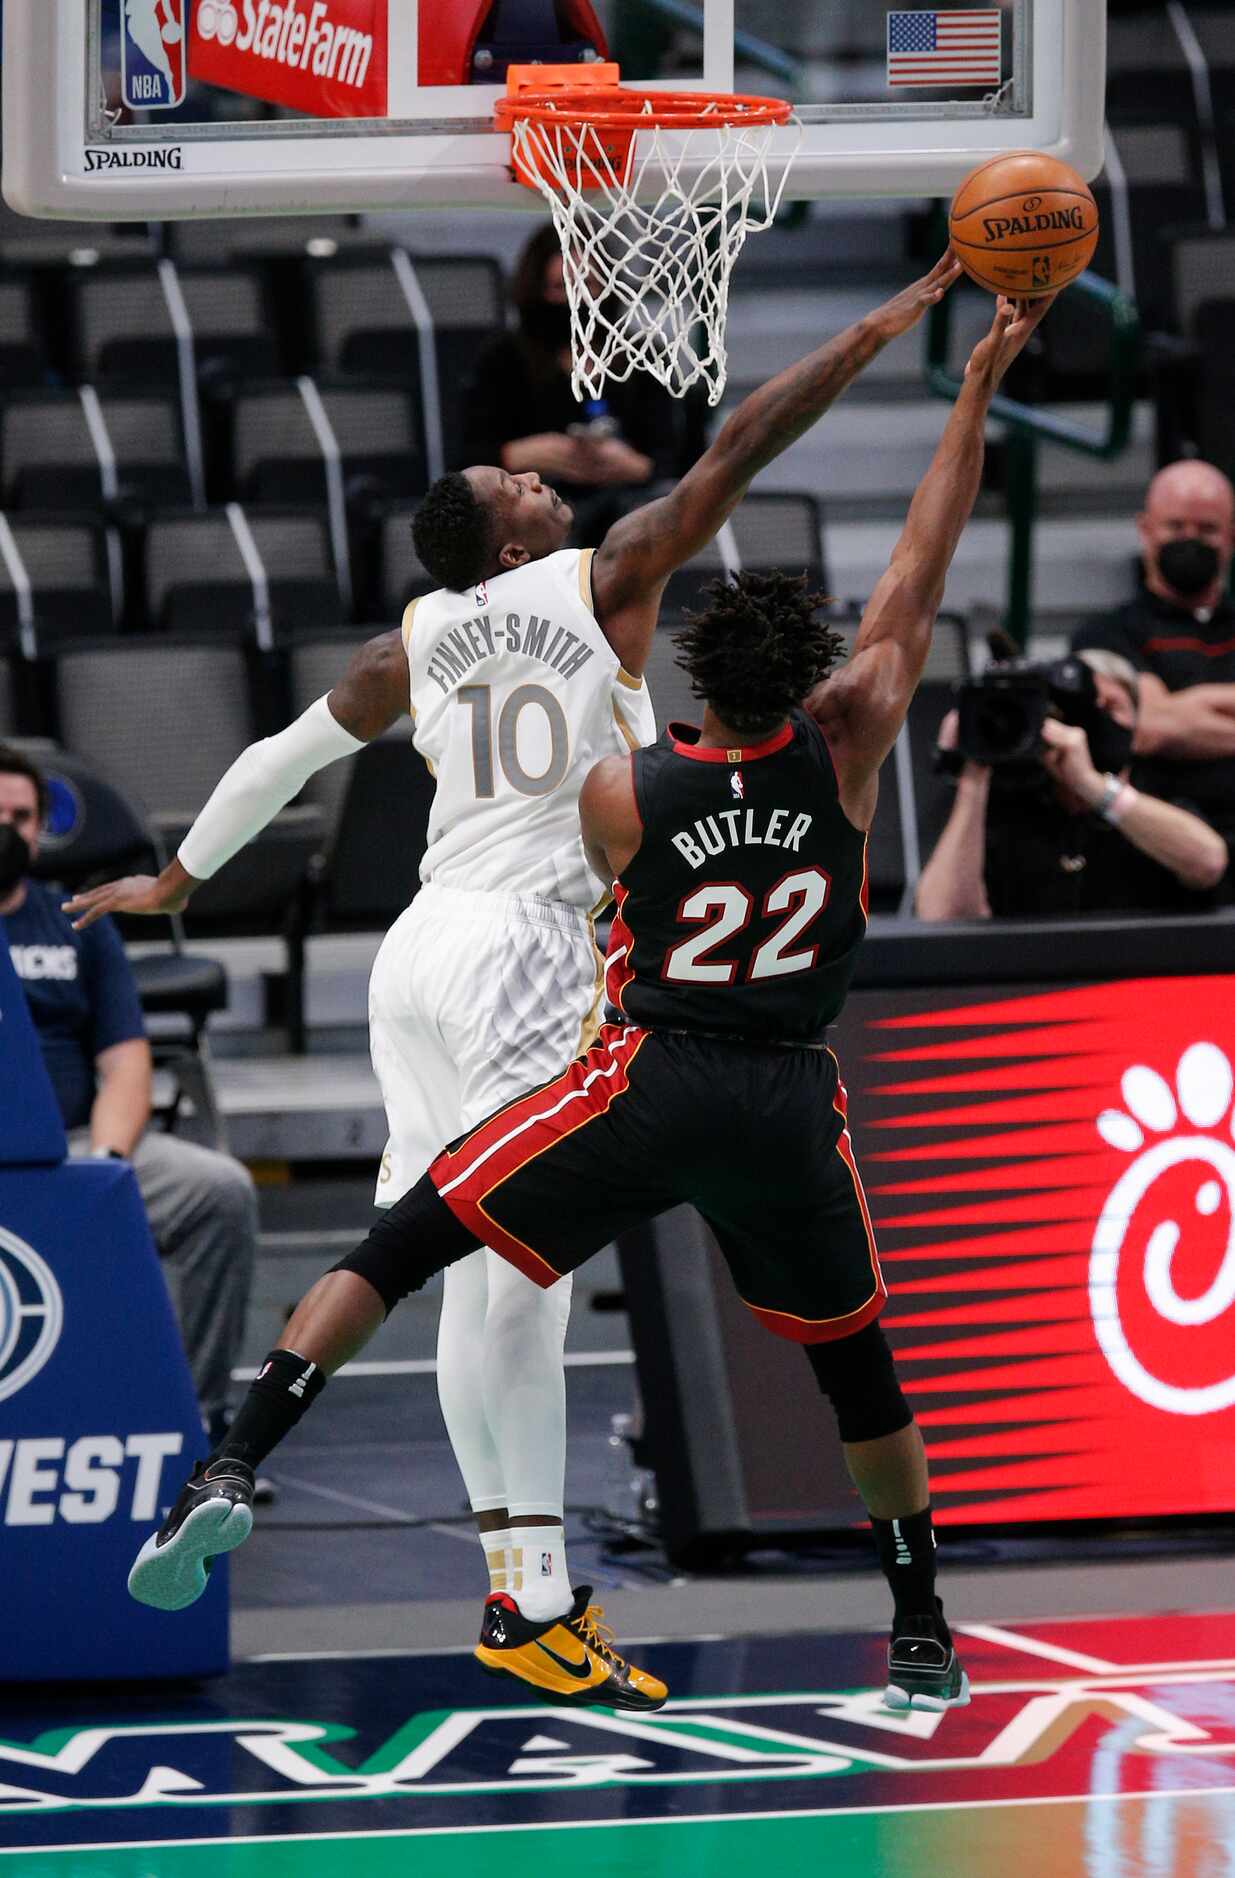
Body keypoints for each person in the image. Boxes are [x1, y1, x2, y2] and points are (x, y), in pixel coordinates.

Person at [117, 289, 1052, 1716]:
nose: (541, 472)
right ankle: (537, 1598)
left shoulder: (419, 637)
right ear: (515, 540)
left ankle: (324, 1492)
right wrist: (905, 337)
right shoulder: (617, 589)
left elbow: (273, 756)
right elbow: (745, 453)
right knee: (515, 1289)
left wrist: (178, 874)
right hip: (552, 966)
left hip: (415, 945)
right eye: (519, 481)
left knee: (416, 1241)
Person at [0, 745, 258, 1447]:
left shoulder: (78, 920)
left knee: (218, 1191)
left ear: (39, 829)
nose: (8, 829)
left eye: (21, 817)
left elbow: (124, 1062)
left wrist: (103, 1167)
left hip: (77, 1148)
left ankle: (196, 1420)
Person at [915, 650, 1229, 919]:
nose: (1097, 720)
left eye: (1111, 707)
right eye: (1089, 707)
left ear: (1136, 722)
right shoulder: (999, 811)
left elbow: (1209, 861)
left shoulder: (1159, 792)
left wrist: (1094, 788)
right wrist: (975, 773)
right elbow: (941, 917)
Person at [460, 224, 705, 547]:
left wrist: (636, 466)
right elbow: (466, 457)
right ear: (537, 291)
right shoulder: (501, 359)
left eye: (587, 285)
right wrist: (522, 455)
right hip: (535, 517)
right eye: (561, 288)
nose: (577, 302)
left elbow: (683, 457)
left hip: (631, 510)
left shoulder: (641, 356)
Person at [1071, 460, 1235, 876]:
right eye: (1176, 527)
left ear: (1230, 536)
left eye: (1207, 530)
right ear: (1145, 529)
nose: (1190, 539)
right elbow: (1149, 727)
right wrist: (1163, 714)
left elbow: (1161, 714)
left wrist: (1179, 707)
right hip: (1150, 854)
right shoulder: (1105, 633)